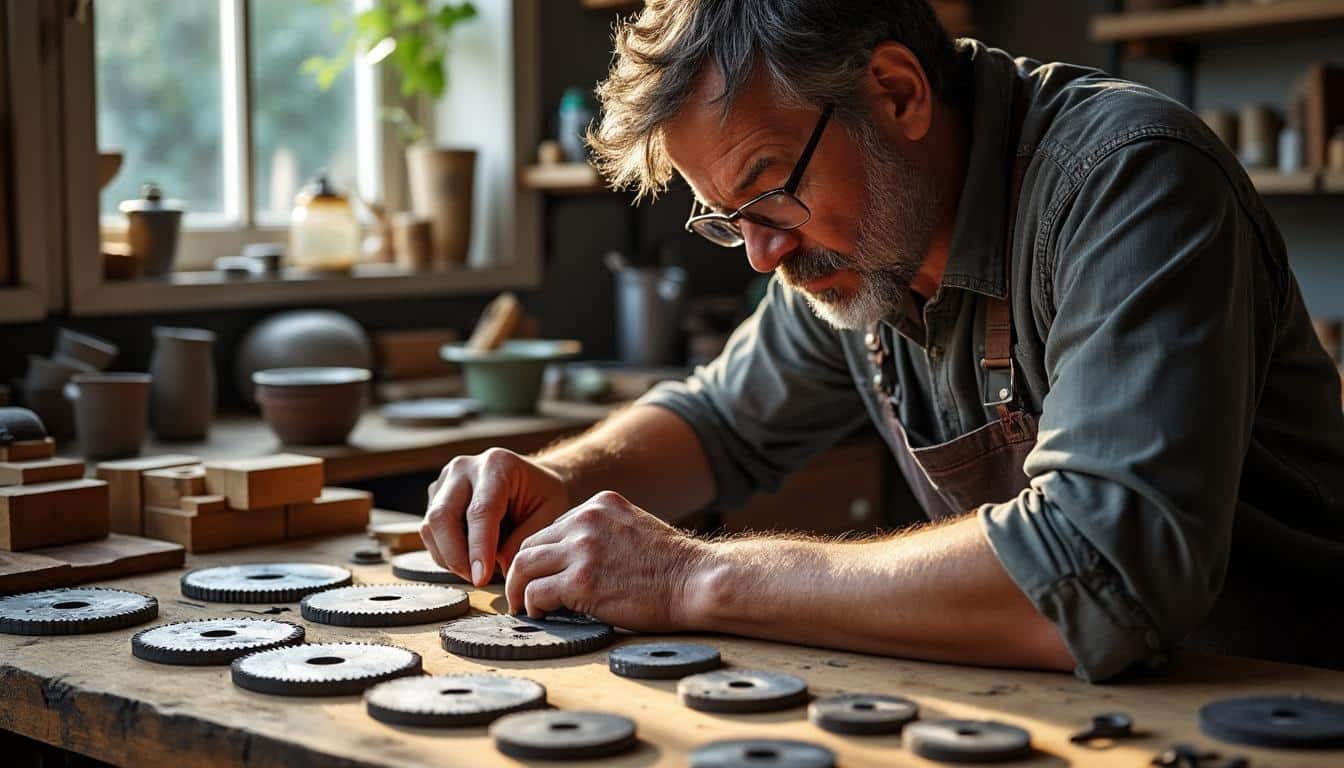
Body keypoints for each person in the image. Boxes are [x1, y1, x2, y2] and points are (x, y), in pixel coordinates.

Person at [421, 0, 1344, 682]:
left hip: (1282, 707)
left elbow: (1100, 572)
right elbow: (718, 422)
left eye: (770, 186)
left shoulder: (1128, 182)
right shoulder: (855, 252)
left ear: (897, 93)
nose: (761, 252)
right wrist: (561, 483)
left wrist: (689, 577)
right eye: (726, 218)